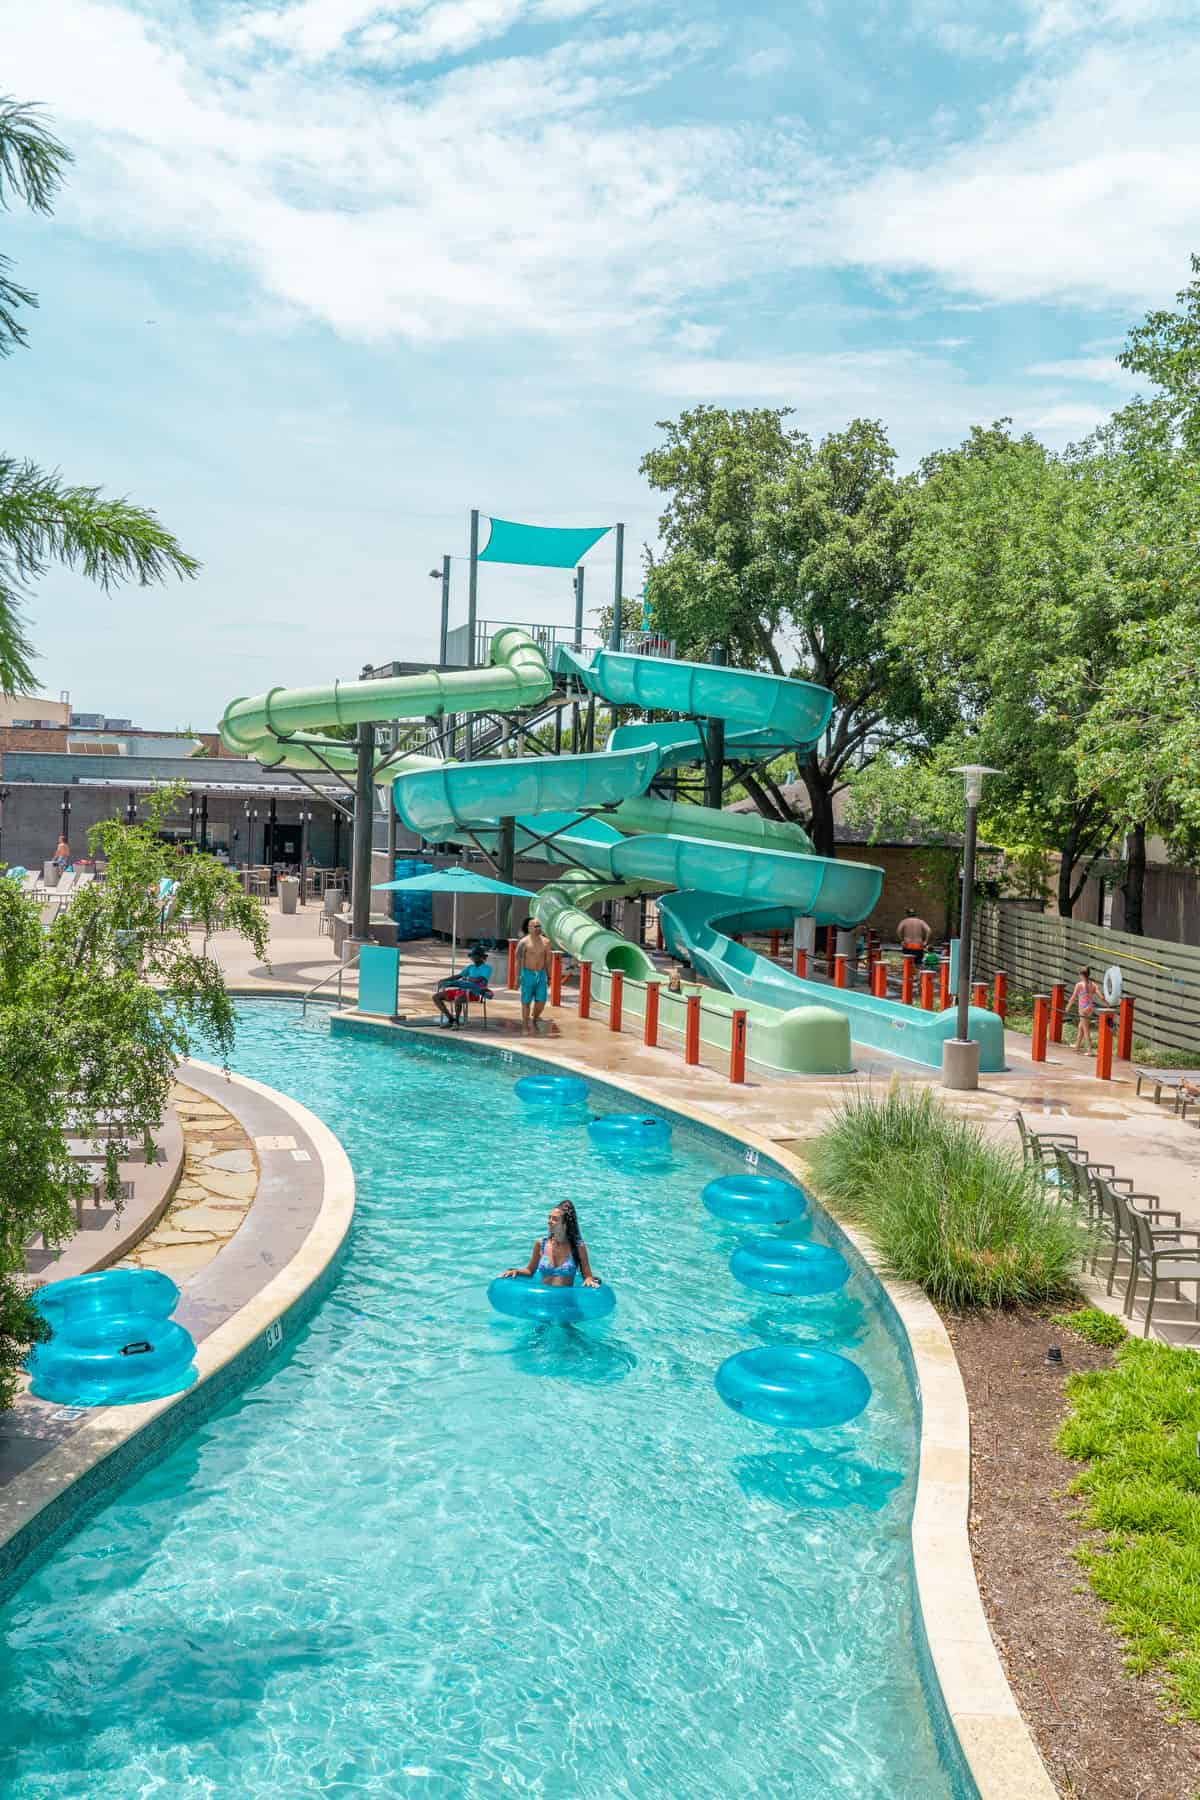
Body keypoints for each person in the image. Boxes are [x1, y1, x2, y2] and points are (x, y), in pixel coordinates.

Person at [500, 1200, 601, 1287]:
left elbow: (587, 1276)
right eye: (549, 1217)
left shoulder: (578, 1247)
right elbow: (530, 1271)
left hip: (565, 1303)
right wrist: (516, 1271)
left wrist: (588, 1279)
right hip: (543, 1300)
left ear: (565, 1224)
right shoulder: (541, 1244)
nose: (549, 1221)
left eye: (555, 1219)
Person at [433, 945, 492, 1028]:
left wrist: (466, 978)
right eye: (471, 957)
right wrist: (444, 980)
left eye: (474, 956)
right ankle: (451, 1019)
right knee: (436, 997)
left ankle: (456, 1022)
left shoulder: (487, 968)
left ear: (480, 957)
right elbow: (458, 976)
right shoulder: (470, 967)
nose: (472, 958)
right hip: (461, 990)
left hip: (473, 993)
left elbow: (479, 980)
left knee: (458, 998)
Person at [516, 916, 551, 1035]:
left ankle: (534, 1019)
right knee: (526, 1002)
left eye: (539, 926)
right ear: (529, 928)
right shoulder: (523, 943)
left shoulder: (546, 942)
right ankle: (525, 1026)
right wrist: (517, 978)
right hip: (527, 974)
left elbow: (547, 961)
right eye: (535, 926)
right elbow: (518, 961)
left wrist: (549, 976)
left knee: (541, 1001)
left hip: (541, 975)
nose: (538, 928)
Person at [1067, 965, 1103, 1054]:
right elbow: (1101, 997)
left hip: (1083, 1009)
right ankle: (1077, 1046)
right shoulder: (1093, 984)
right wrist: (1108, 1005)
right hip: (1090, 1008)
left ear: (1081, 975)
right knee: (1081, 1027)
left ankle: (1090, 1050)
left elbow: (1073, 997)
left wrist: (1067, 1007)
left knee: (1086, 1029)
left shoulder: (1079, 985)